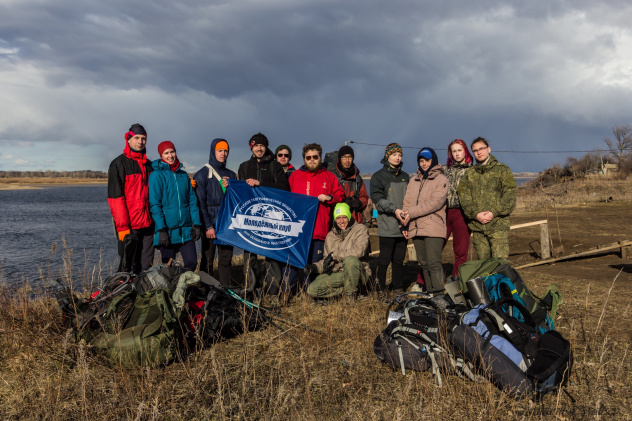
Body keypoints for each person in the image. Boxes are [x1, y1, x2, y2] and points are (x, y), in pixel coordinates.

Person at [237, 133, 290, 292]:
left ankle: (273, 289)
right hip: (250, 216)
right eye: (256, 146)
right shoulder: (244, 166)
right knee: (249, 254)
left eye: (262, 145)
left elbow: (284, 188)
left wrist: (261, 184)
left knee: (271, 252)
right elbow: (239, 191)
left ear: (266, 147)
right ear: (251, 147)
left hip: (271, 216)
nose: (259, 148)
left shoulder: (275, 166)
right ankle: (251, 288)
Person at [288, 143, 345, 291]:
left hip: (319, 230)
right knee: (293, 261)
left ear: (320, 157)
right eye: (308, 158)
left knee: (315, 263)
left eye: (315, 157)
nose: (312, 160)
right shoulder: (295, 176)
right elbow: (285, 197)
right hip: (297, 229)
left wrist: (329, 197)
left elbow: (340, 195)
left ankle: (312, 292)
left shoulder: (329, 176)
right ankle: (288, 291)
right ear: (304, 159)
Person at [457, 137, 517, 260]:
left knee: (499, 265)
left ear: (488, 149)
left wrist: (493, 212)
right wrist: (475, 214)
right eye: (475, 150)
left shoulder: (502, 170)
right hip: (478, 227)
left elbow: (509, 196)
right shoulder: (469, 174)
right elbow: (463, 197)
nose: (479, 152)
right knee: (484, 267)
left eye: (481, 149)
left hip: (497, 226)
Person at [107, 123, 155, 274]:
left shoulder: (150, 165)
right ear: (128, 139)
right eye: (136, 138)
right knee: (128, 268)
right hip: (130, 227)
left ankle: (144, 296)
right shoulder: (118, 164)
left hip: (148, 225)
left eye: (143, 138)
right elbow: (116, 199)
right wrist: (122, 228)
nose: (140, 141)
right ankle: (126, 296)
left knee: (146, 267)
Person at [149, 141, 202, 271]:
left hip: (185, 230)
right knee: (169, 268)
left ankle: (183, 289)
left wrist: (196, 224)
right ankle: (172, 290)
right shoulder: (156, 175)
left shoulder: (183, 175)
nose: (170, 156)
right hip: (167, 232)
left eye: (172, 152)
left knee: (191, 263)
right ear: (161, 155)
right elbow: (155, 205)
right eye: (166, 153)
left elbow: (192, 202)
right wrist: (161, 230)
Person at [403, 147, 448, 295]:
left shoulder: (441, 179)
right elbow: (407, 202)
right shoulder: (413, 180)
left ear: (433, 160)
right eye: (421, 161)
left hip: (433, 226)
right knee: (424, 264)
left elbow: (435, 203)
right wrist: (404, 222)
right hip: (416, 228)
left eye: (427, 160)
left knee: (434, 262)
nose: (424, 164)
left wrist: (410, 213)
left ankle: (439, 295)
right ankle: (430, 294)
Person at [305, 203, 371, 301]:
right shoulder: (330, 236)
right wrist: (315, 267)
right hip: (339, 274)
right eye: (338, 218)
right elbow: (327, 259)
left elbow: (358, 251)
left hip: (358, 271)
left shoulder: (360, 229)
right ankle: (348, 291)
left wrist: (334, 255)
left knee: (350, 260)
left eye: (344, 217)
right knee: (312, 289)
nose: (341, 221)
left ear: (349, 217)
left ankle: (350, 296)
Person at [194, 138, 236, 284]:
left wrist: (230, 187)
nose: (223, 154)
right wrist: (208, 226)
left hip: (226, 224)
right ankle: (205, 290)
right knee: (208, 260)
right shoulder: (202, 174)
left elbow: (234, 201)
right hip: (210, 224)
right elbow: (201, 203)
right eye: (220, 151)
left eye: (226, 151)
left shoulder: (231, 175)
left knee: (226, 260)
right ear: (213, 151)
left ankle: (226, 290)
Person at [370, 143, 410, 294]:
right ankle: (380, 288)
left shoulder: (405, 177)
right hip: (387, 225)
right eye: (394, 155)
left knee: (399, 260)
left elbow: (410, 199)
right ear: (387, 156)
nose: (397, 157)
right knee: (384, 259)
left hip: (403, 224)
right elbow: (377, 199)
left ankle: (398, 287)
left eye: (399, 155)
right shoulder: (378, 177)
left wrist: (407, 216)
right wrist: (394, 210)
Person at [443, 139, 473, 276]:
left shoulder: (472, 171)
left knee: (460, 251)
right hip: (444, 212)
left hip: (462, 213)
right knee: (435, 248)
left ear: (465, 151)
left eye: (459, 150)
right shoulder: (444, 170)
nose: (457, 154)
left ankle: (457, 281)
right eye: (454, 151)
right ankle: (422, 282)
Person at [331, 145, 369, 224]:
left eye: (350, 157)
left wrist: (359, 203)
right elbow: (329, 197)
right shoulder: (332, 177)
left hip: (355, 219)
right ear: (340, 158)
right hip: (337, 219)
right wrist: (342, 203)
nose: (347, 160)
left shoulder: (358, 178)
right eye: (344, 157)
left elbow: (364, 197)